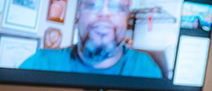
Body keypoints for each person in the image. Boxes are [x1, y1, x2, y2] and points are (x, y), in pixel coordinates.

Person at [20, 0, 162, 78]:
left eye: (116, 7)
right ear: (78, 15)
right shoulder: (40, 64)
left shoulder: (145, 68)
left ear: (126, 19)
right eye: (93, 5)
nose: (104, 13)